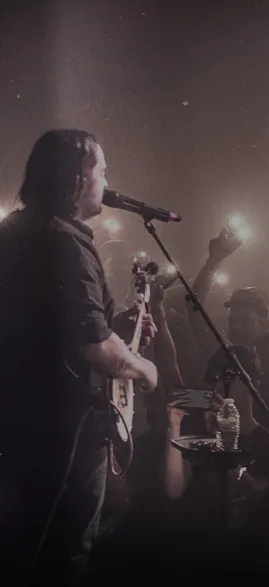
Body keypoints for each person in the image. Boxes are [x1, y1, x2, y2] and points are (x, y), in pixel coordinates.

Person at [0, 130, 160, 586]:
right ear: (77, 176)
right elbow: (92, 344)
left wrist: (120, 325)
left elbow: (55, 325)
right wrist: (142, 368)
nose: (107, 182)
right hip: (64, 432)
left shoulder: (18, 231)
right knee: (64, 552)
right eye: (102, 171)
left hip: (22, 423)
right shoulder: (63, 241)